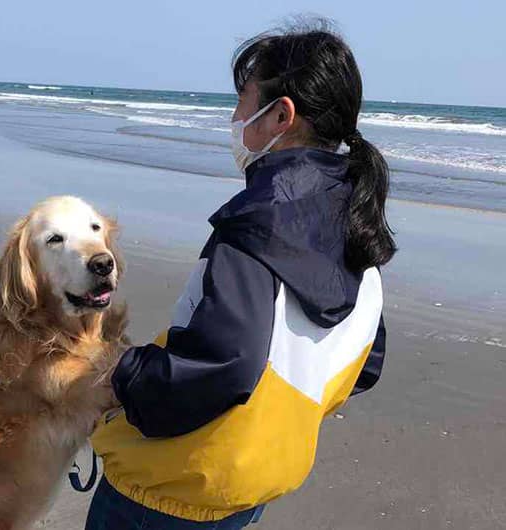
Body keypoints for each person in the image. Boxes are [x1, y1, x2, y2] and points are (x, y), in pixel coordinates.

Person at [88, 22, 396, 530]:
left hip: (168, 489)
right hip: (252, 484)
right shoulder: (357, 226)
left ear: (280, 115)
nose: (234, 118)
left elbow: (224, 364)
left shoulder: (255, 224)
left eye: (242, 101)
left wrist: (125, 374)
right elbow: (365, 362)